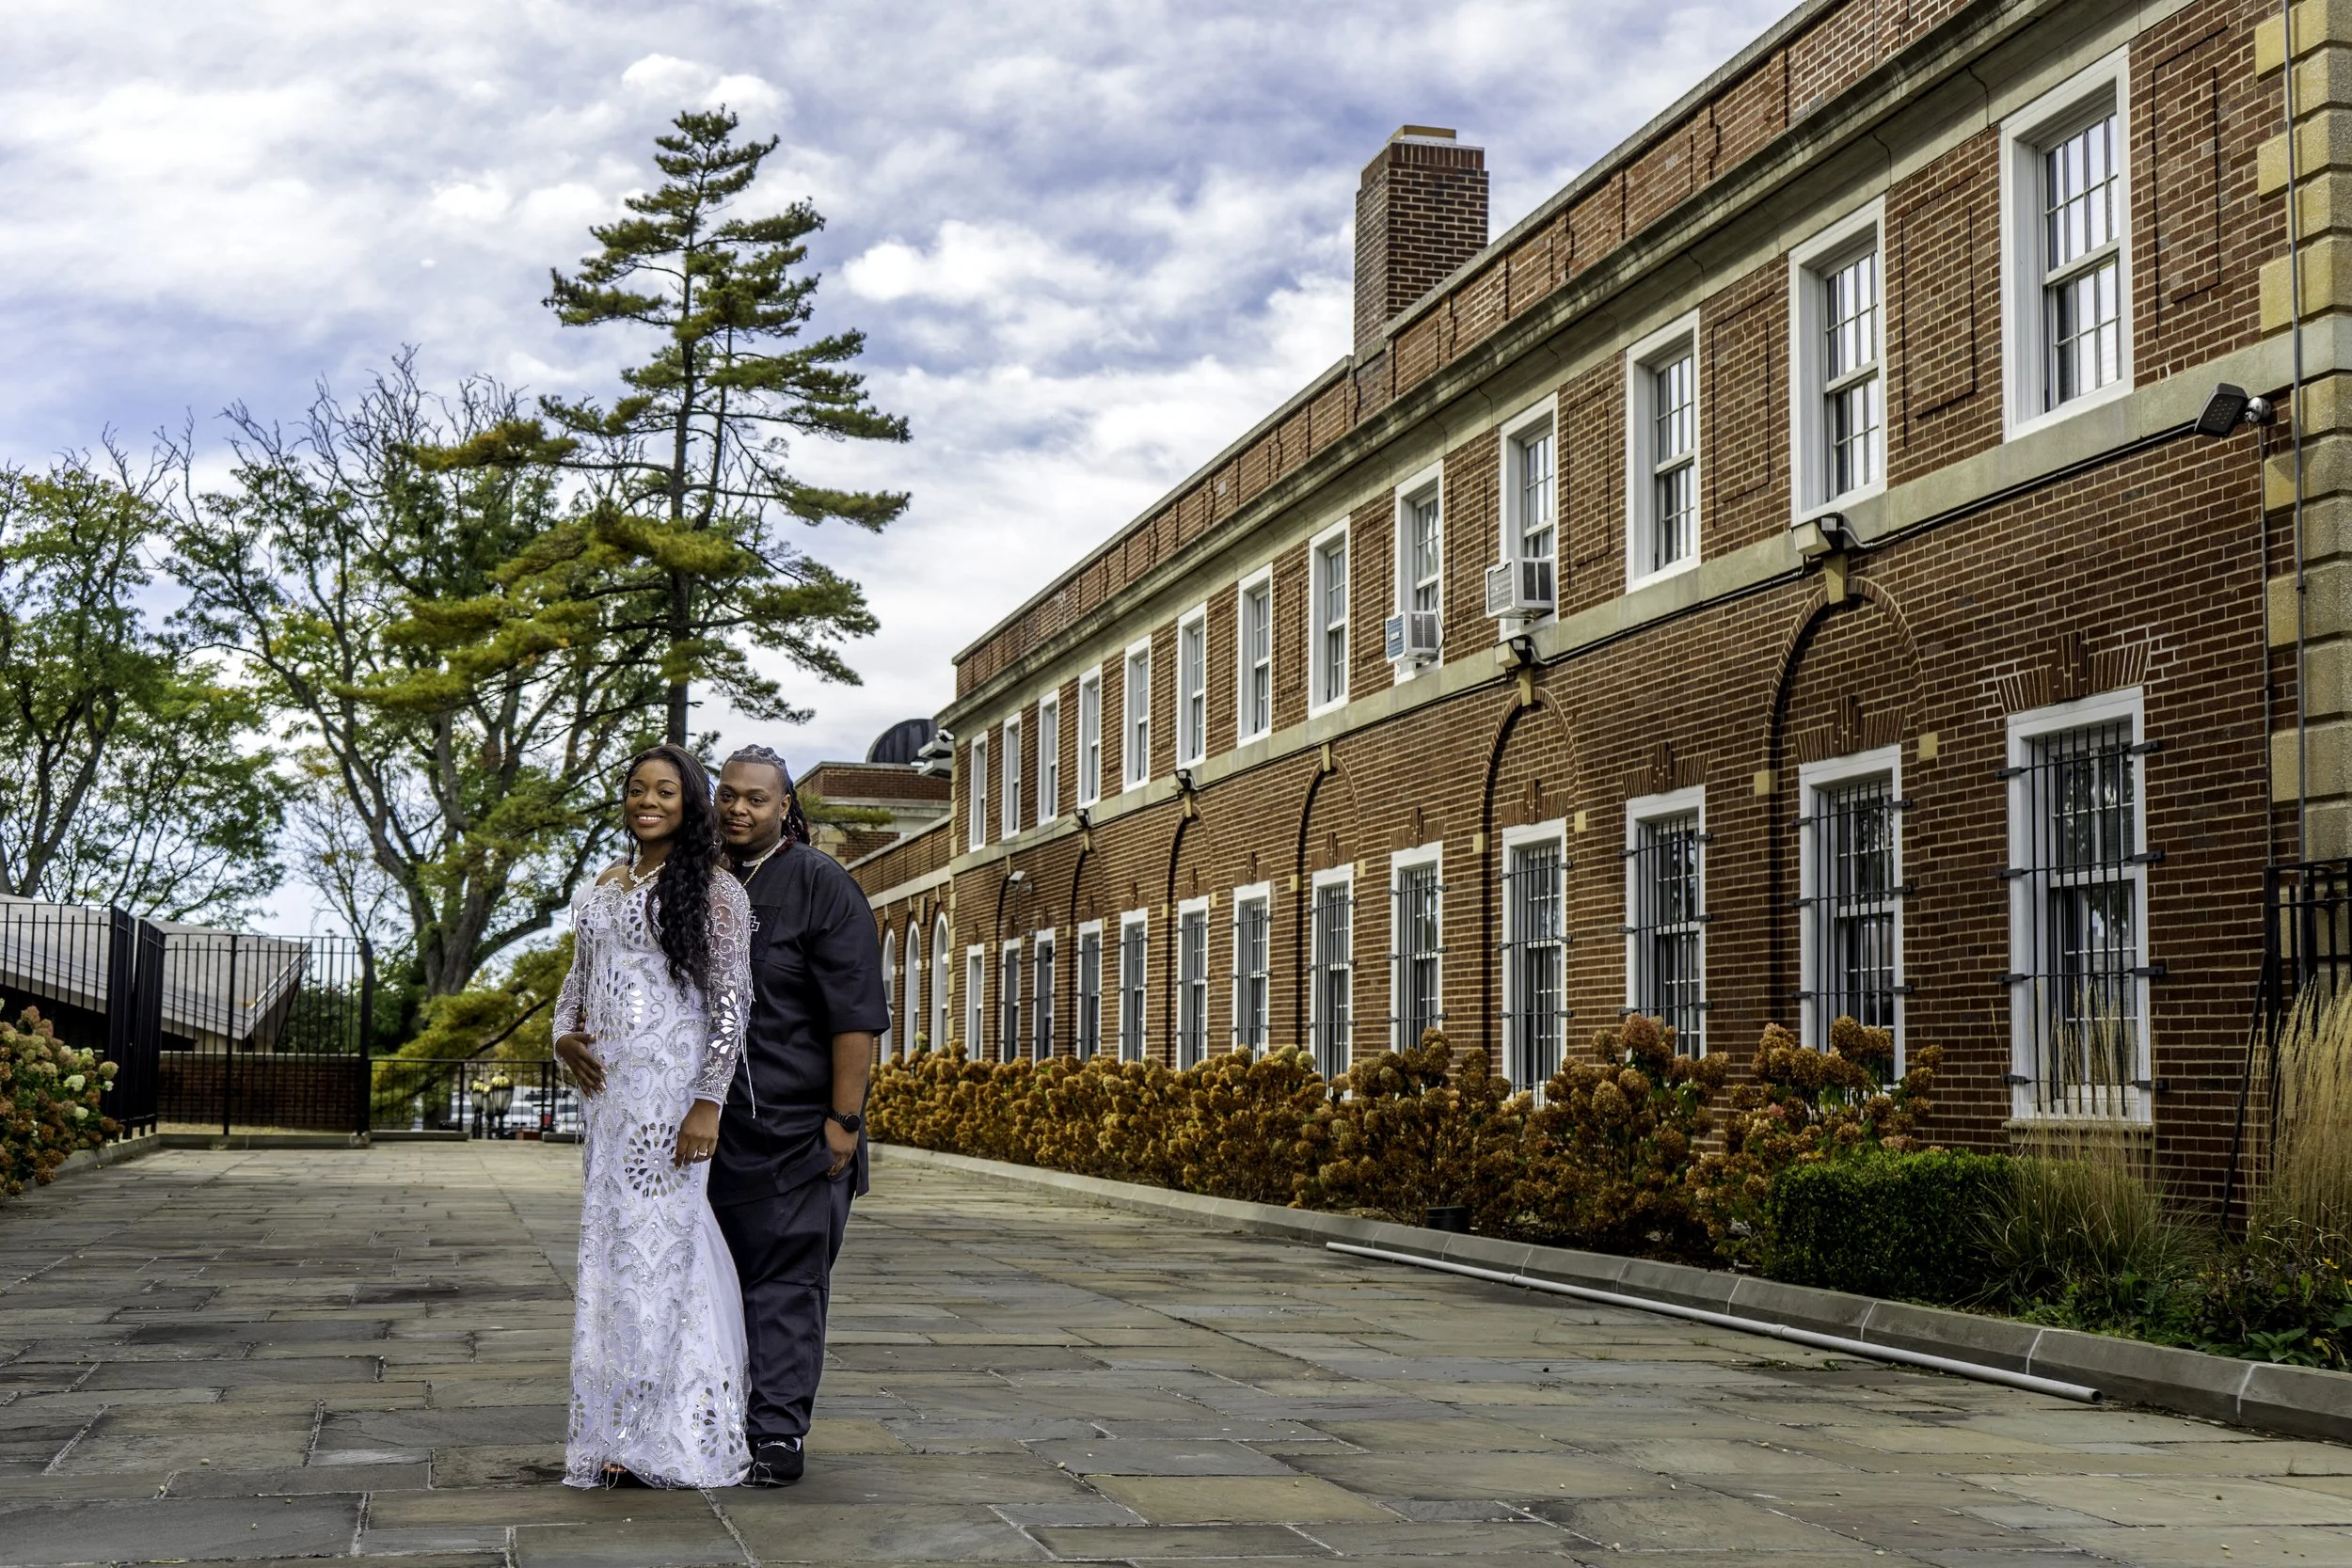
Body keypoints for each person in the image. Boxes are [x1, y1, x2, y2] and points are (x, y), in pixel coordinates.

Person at [550, 744, 754, 1490]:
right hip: (610, 1103)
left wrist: (708, 1103)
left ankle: (678, 1428)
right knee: (615, 1255)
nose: (648, 801)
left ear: (688, 802)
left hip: (672, 1100)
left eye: (665, 791)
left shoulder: (716, 890)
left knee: (670, 1252)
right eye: (637, 789)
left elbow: (732, 1011)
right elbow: (576, 985)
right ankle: (618, 1425)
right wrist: (561, 1037)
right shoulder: (606, 885)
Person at [706, 744, 887, 1487]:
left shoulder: (821, 883)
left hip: (801, 1133)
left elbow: (856, 1018)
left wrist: (843, 1120)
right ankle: (713, 1423)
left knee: (785, 1286)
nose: (739, 808)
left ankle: (777, 1434)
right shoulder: (705, 884)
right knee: (714, 1287)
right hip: (716, 1135)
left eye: (756, 797)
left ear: (786, 807)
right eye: (728, 795)